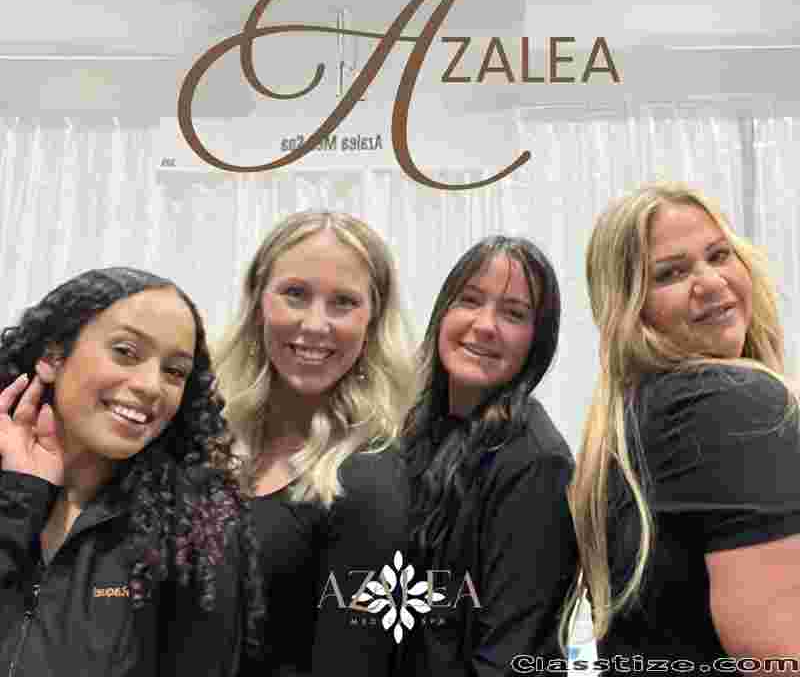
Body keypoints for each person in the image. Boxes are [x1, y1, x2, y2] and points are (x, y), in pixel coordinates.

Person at [566, 182, 800, 669]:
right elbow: (778, 656)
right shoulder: (733, 404)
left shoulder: (636, 416)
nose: (711, 282)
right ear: (631, 308)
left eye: (719, 255)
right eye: (670, 274)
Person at [0, 267, 264, 677]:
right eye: (125, 351)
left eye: (174, 371)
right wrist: (20, 497)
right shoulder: (12, 496)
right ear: (53, 357)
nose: (151, 386)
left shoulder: (192, 533)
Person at [213, 211, 418, 677]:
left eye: (343, 302)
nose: (315, 324)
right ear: (257, 301)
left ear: (372, 321)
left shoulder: (370, 481)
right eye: (295, 294)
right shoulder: (209, 437)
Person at [400, 235, 577, 675]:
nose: (484, 325)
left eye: (513, 313)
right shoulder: (413, 430)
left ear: (537, 342)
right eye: (470, 300)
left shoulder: (536, 463)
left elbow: (511, 659)